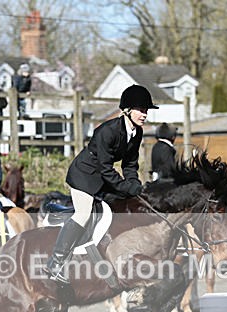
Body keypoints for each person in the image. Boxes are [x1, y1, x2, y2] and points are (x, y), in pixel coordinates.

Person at [43, 84, 158, 284]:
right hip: (84, 175)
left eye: (146, 110)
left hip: (102, 177)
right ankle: (56, 262)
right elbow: (106, 168)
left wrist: (135, 186)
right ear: (127, 110)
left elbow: (130, 165)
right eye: (141, 109)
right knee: (84, 213)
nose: (144, 114)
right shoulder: (107, 131)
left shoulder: (137, 133)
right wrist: (125, 187)